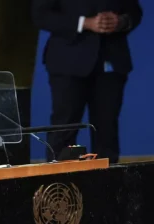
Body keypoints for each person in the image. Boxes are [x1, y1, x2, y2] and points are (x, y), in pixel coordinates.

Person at [31, 0, 142, 163]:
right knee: (64, 129)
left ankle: (106, 185)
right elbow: (40, 14)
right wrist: (85, 23)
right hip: (67, 62)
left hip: (111, 62)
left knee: (107, 131)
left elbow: (134, 12)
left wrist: (121, 22)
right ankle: (61, 186)